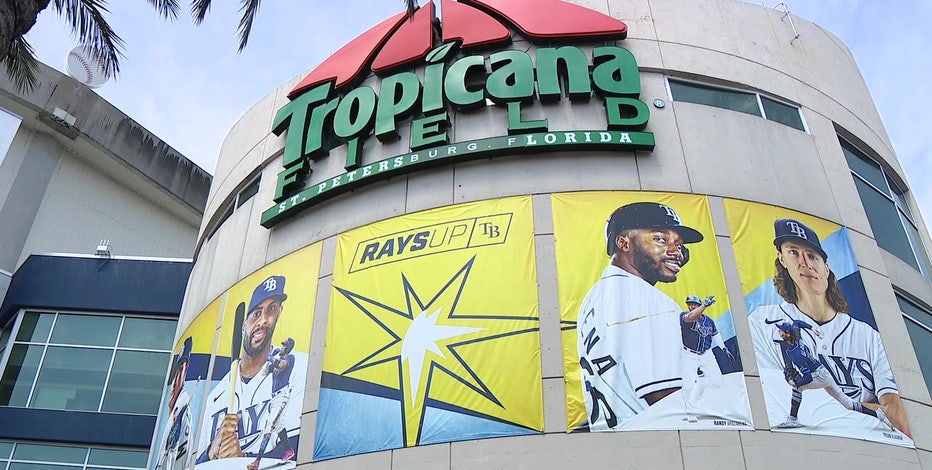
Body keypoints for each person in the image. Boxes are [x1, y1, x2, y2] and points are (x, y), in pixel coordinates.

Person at [748, 218, 911, 437]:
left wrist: (830, 410)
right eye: (794, 252)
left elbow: (899, 417)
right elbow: (774, 403)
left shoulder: (868, 336)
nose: (805, 263)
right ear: (782, 259)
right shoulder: (762, 321)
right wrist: (867, 412)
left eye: (812, 256)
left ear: (826, 268)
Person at [577, 201, 704, 430]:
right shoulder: (644, 298)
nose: (676, 252)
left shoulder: (595, 298)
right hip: (660, 438)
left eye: (679, 244)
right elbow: (667, 399)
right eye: (660, 239)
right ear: (623, 242)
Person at [195, 275, 307, 466]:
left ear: (279, 312)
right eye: (256, 313)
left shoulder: (297, 366)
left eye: (271, 309)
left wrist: (243, 461)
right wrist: (210, 451)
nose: (263, 320)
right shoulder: (215, 397)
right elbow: (196, 465)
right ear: (243, 325)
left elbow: (297, 450)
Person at [772, 320, 893, 430]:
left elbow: (808, 377)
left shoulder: (797, 354)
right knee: (848, 404)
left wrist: (796, 383)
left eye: (781, 331)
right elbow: (797, 323)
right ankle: (878, 414)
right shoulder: (796, 336)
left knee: (797, 388)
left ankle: (793, 419)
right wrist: (813, 328)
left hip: (819, 376)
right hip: (823, 372)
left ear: (787, 334)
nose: (779, 332)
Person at [680, 294, 733, 422]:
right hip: (689, 355)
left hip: (707, 354)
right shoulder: (683, 315)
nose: (691, 306)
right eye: (689, 303)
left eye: (694, 304)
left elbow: (715, 334)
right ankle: (691, 413)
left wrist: (723, 348)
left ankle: (716, 410)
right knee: (688, 386)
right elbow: (690, 317)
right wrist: (704, 305)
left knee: (717, 382)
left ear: (698, 305)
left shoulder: (708, 320)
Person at [247, 338, 297, 470]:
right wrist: (270, 356)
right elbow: (264, 372)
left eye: (284, 346)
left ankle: (257, 461)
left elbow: (282, 365)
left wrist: (272, 358)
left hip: (283, 395)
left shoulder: (290, 358)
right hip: (274, 398)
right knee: (279, 426)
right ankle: (289, 451)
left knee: (269, 427)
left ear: (288, 348)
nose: (281, 348)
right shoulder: (275, 359)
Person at [156, 337, 193, 470]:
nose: (175, 380)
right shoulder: (176, 405)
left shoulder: (183, 405)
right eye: (175, 372)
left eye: (180, 370)